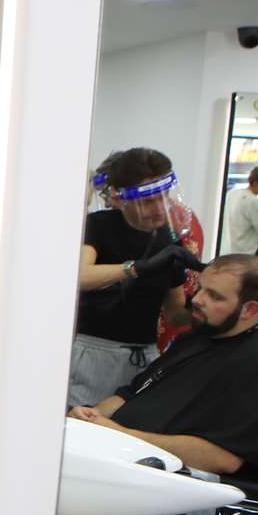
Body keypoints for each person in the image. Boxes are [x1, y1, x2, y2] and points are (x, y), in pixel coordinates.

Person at [69, 254, 258, 513]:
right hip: (124, 457)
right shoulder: (197, 338)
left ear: (250, 309)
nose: (197, 300)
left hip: (169, 484)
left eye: (214, 296)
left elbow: (223, 458)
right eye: (200, 289)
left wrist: (119, 435)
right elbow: (133, 392)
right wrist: (91, 416)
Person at [69, 148, 203, 408]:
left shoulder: (168, 238)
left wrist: (204, 301)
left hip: (145, 355)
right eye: (148, 201)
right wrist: (136, 268)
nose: (159, 208)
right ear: (121, 198)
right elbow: (79, 276)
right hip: (95, 353)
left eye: (163, 198)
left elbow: (174, 313)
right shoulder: (98, 226)